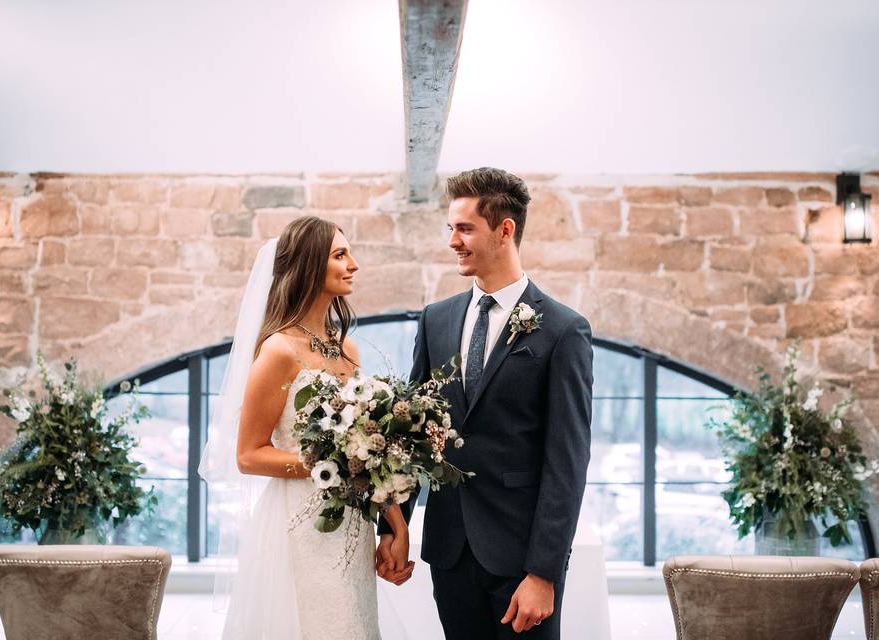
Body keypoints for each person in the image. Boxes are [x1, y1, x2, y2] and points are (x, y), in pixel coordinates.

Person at [377, 167, 594, 638]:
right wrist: (393, 527)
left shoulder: (562, 330)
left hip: (522, 559)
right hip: (450, 551)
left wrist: (544, 573)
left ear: (505, 230)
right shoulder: (436, 320)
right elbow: (412, 435)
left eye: (465, 228)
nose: (452, 240)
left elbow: (568, 462)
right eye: (450, 228)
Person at [199, 215, 412, 639]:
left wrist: (397, 527)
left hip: (353, 523)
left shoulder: (346, 348)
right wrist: (327, 463)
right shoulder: (278, 349)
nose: (354, 264)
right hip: (300, 525)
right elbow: (248, 455)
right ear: (311, 265)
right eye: (340, 255)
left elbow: (367, 450)